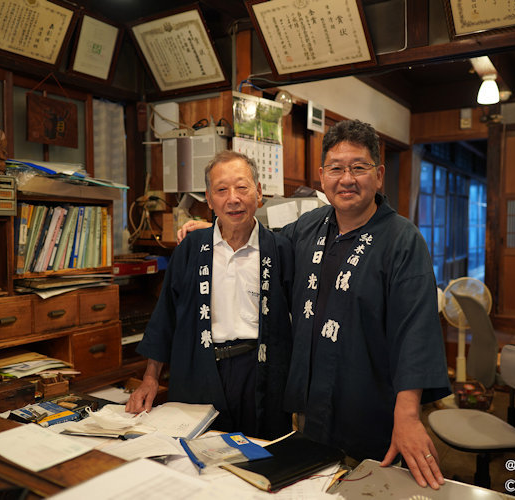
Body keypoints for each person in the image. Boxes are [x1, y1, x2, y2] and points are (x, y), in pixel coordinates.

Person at [178, 120, 451, 489]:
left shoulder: (403, 240)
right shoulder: (308, 228)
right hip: (309, 412)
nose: (347, 178)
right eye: (336, 168)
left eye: (359, 167)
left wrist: (408, 415)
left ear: (379, 175)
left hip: (370, 410)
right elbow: (262, 243)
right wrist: (215, 229)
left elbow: (416, 334)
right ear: (322, 176)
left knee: (366, 488)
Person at [126, 151, 294, 440]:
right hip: (198, 367)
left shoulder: (280, 249)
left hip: (260, 372)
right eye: (221, 190)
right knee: (197, 461)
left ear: (259, 193)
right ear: (209, 198)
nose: (233, 198)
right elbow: (165, 316)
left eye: (242, 187)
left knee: (260, 463)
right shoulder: (190, 248)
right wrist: (150, 378)